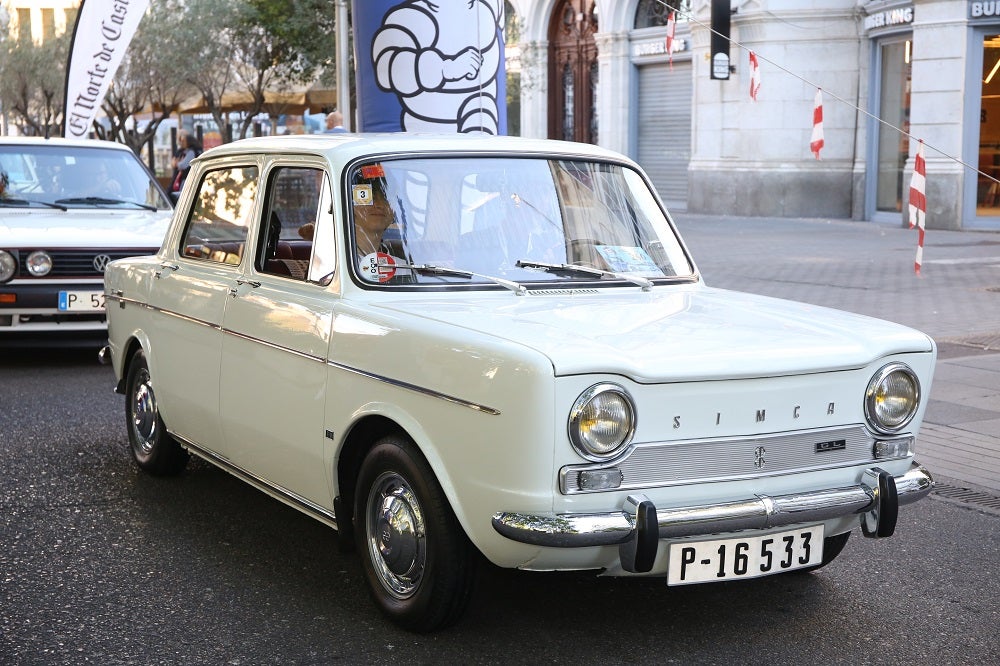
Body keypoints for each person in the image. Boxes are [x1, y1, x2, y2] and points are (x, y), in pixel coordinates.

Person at [352, 178, 410, 282]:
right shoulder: (338, 263)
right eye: (370, 197)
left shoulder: (402, 267)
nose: (379, 205)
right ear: (351, 205)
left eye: (386, 197)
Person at [169, 130, 202, 201]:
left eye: (183, 141)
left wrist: (177, 163)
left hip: (187, 179)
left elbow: (182, 165)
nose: (181, 143)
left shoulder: (191, 152)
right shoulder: (194, 150)